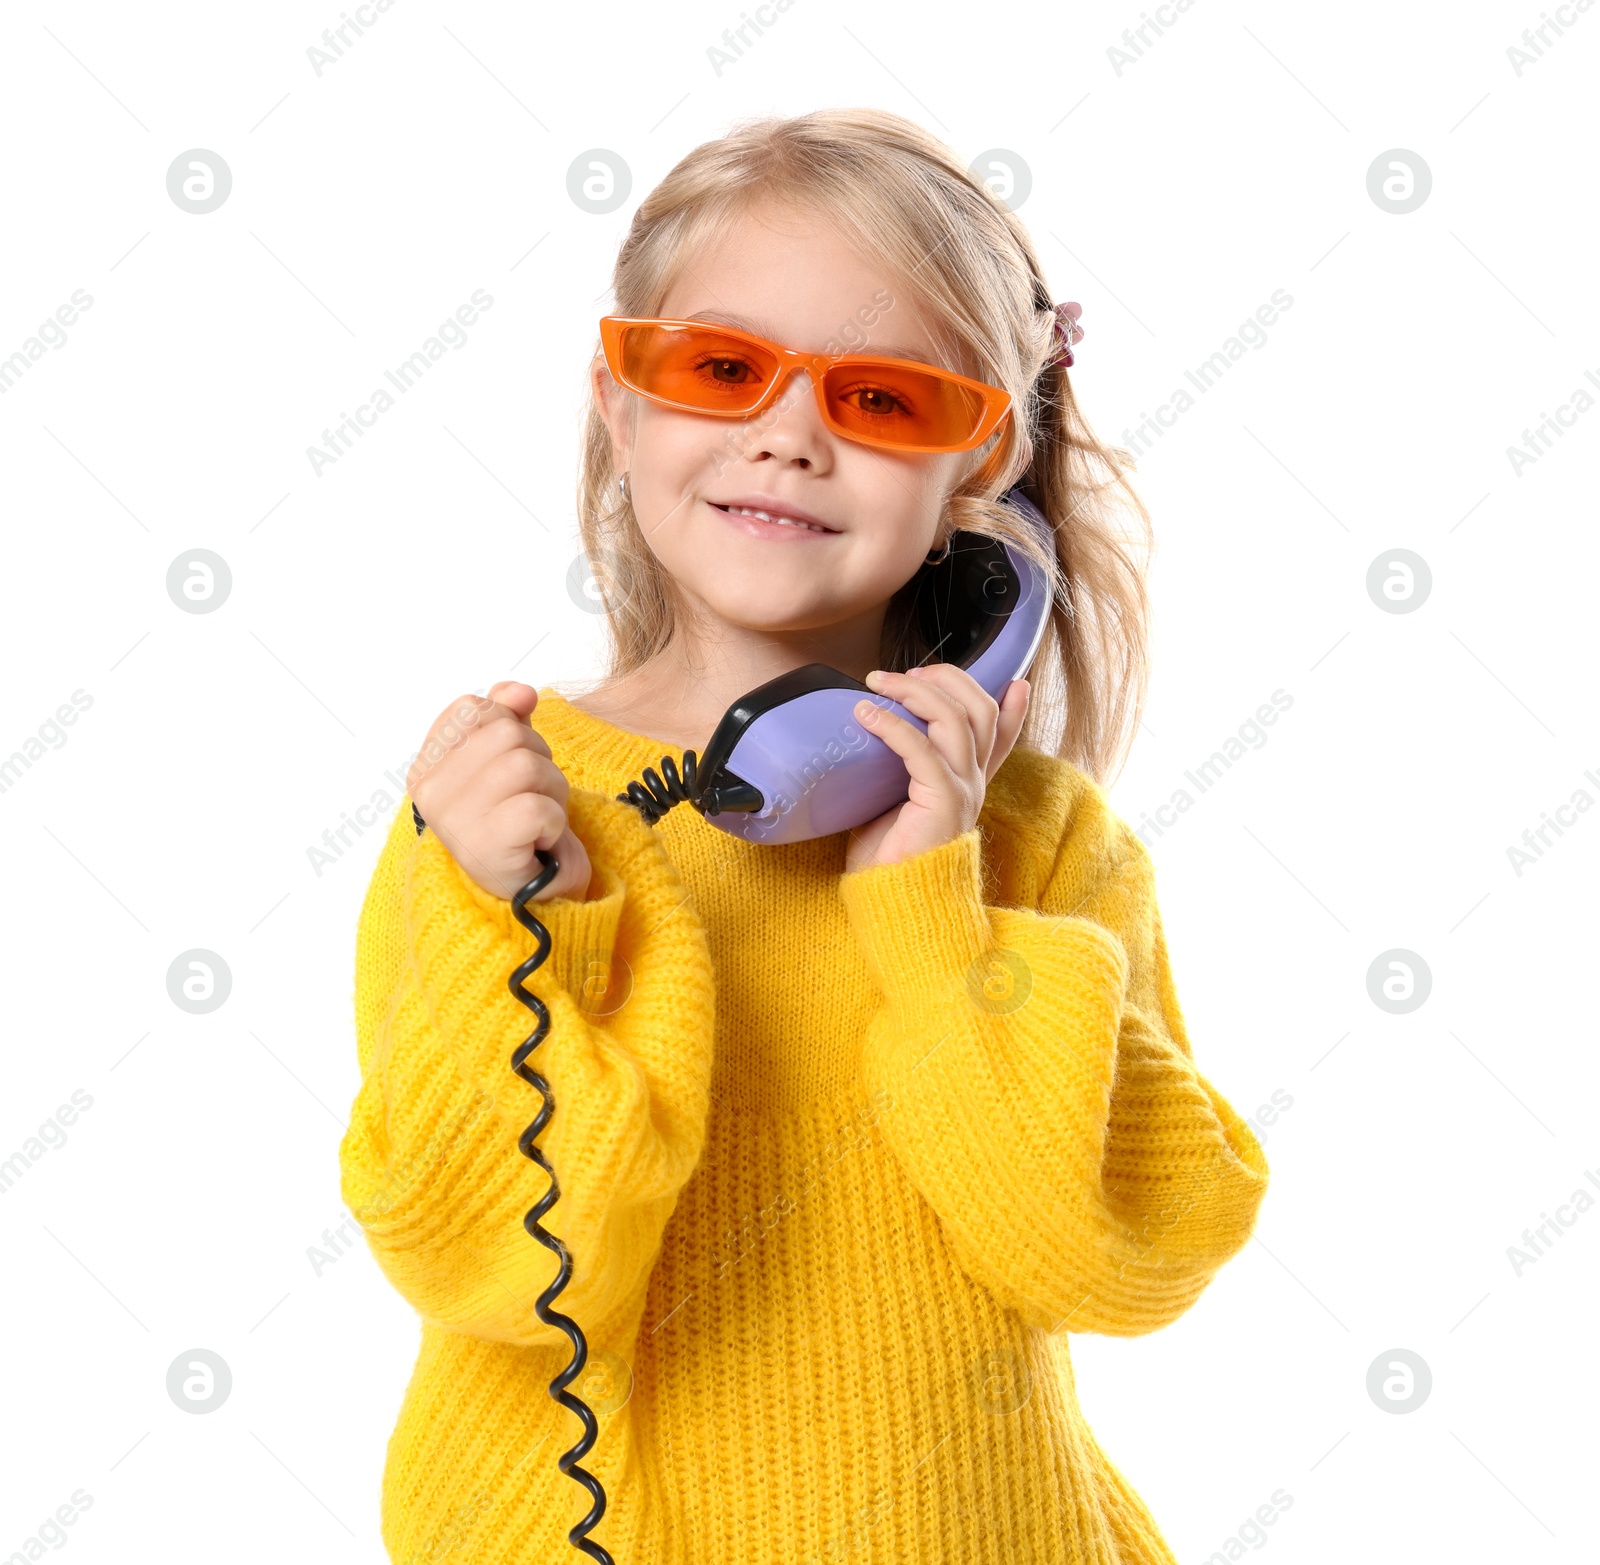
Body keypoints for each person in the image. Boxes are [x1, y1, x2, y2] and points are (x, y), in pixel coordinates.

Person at [341, 106, 1270, 1564]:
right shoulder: (498, 811)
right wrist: (549, 917)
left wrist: (935, 918)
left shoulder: (1039, 837)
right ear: (622, 402)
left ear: (984, 459)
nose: (789, 434)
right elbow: (486, 1259)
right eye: (722, 369)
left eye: (885, 400)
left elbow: (1122, 1254)